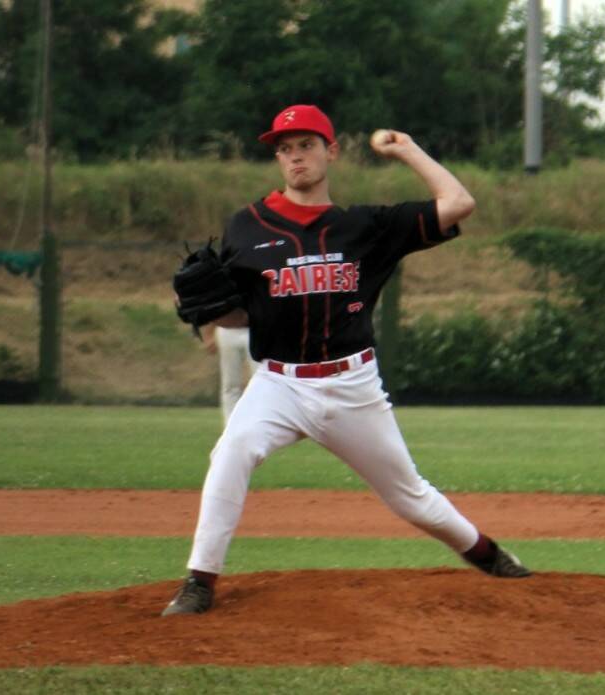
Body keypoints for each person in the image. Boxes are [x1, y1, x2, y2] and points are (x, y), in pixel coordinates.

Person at [162, 104, 531, 616]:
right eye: (285, 149)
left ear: (330, 152)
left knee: (410, 497)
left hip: (352, 385)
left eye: (306, 145)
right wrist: (211, 312)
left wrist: (407, 150)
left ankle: (489, 556)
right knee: (231, 453)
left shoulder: (365, 227)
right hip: (279, 383)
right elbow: (241, 314)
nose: (295, 157)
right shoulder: (245, 226)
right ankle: (199, 582)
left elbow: (459, 202)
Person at [201, 324, 257, 424]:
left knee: (263, 381)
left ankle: (261, 423)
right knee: (230, 384)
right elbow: (213, 313)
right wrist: (208, 335)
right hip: (227, 329)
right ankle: (230, 425)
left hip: (257, 329)